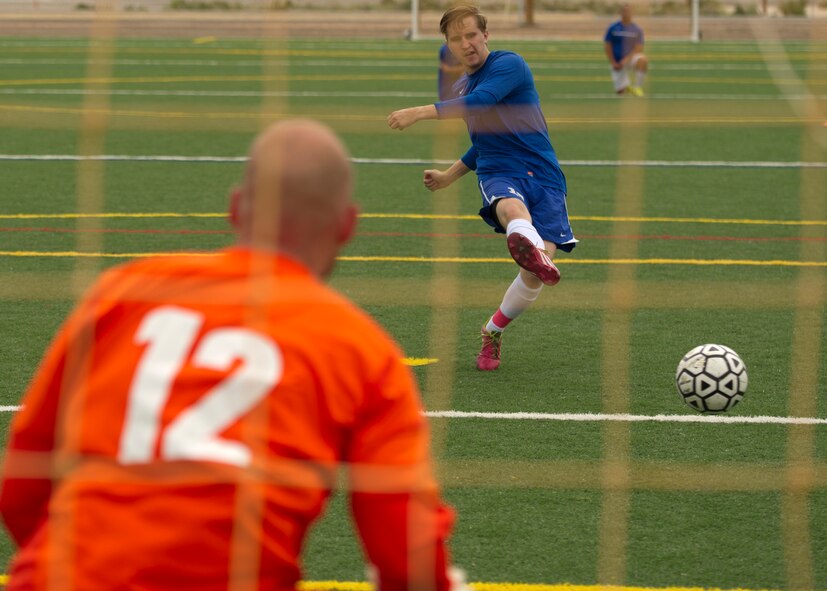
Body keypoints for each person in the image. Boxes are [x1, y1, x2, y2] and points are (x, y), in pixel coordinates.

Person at [0, 119, 462, 591]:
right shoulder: (361, 350)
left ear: (236, 208)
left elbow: (21, 485)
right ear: (347, 226)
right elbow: (408, 561)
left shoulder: (125, 292)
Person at [387, 4, 577, 372]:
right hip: (500, 169)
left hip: (545, 173)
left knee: (537, 271)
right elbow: (483, 143)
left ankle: (493, 329)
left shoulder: (509, 65)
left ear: (485, 35)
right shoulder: (464, 84)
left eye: (472, 35)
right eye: (457, 39)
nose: (466, 44)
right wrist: (449, 175)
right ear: (448, 45)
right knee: (510, 208)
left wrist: (419, 112)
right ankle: (527, 242)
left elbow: (482, 103)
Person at [604, 3, 649, 96]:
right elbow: (607, 45)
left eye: (628, 11)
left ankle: (637, 87)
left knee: (642, 60)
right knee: (620, 92)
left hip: (631, 59)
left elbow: (639, 48)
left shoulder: (637, 29)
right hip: (617, 61)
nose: (626, 13)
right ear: (620, 12)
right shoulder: (613, 28)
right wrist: (613, 62)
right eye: (624, 11)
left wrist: (626, 60)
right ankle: (626, 85)